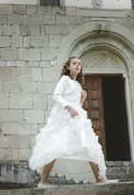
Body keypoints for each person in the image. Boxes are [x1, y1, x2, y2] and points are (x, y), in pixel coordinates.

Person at [28, 56, 117, 188]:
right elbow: (56, 96)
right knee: (56, 146)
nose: (77, 65)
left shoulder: (77, 84)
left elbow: (77, 104)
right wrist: (69, 108)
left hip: (77, 119)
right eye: (74, 63)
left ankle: (100, 179)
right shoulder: (65, 80)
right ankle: (43, 181)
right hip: (64, 119)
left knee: (88, 145)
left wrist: (83, 99)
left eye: (79, 64)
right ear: (68, 67)